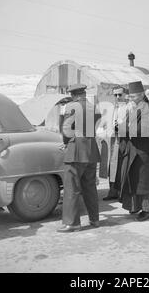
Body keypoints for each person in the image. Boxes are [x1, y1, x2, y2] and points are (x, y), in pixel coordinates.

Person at [57, 83, 101, 232]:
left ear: (73, 95)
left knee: (72, 188)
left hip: (76, 150)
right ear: (83, 93)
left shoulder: (71, 106)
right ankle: (94, 219)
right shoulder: (94, 107)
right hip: (91, 150)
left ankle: (72, 223)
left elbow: (65, 129)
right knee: (90, 187)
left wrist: (65, 144)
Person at [116, 80, 149, 222]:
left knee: (143, 183)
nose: (130, 99)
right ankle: (134, 207)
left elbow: (143, 129)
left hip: (145, 151)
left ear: (140, 95)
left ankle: (146, 210)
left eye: (132, 97)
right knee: (133, 180)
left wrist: (122, 128)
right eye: (130, 97)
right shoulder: (134, 107)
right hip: (133, 149)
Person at [102, 86, 128, 201]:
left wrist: (121, 127)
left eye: (120, 94)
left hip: (124, 141)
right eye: (115, 95)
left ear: (125, 95)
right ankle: (112, 191)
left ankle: (122, 193)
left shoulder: (129, 108)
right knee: (112, 166)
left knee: (122, 167)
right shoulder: (112, 108)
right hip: (113, 141)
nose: (117, 97)